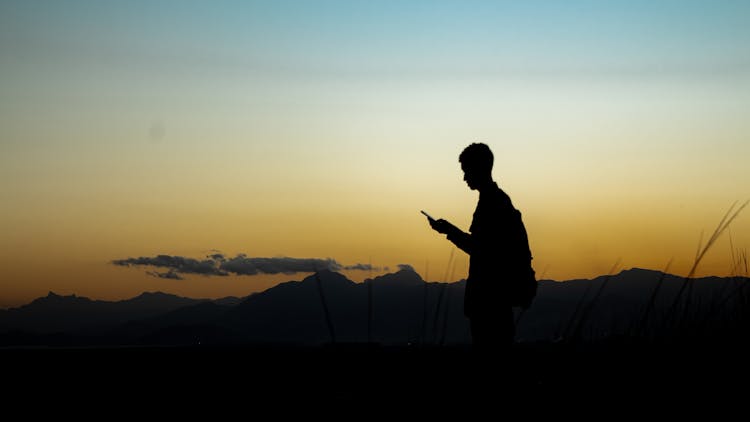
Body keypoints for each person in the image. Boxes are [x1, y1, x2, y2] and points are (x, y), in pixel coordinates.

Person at [426, 143, 532, 350]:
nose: (465, 178)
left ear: (480, 169)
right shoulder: (496, 200)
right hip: (495, 300)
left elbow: (482, 250)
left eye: (467, 171)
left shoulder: (493, 204)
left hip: (491, 301)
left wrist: (449, 231)